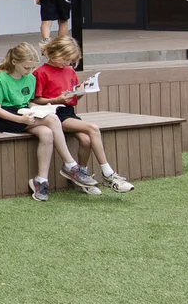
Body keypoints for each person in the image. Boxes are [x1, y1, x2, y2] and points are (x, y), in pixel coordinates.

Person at [0, 41, 99, 199]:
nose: (30, 71)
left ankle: (41, 181)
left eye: (32, 68)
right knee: (52, 119)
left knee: (46, 133)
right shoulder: (0, 78)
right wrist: (21, 120)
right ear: (14, 62)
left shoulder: (30, 78)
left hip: (24, 114)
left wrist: (44, 108)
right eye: (27, 68)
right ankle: (70, 165)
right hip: (4, 117)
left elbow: (30, 102)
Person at [33, 36, 134, 192]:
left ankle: (82, 177)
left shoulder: (69, 71)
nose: (67, 63)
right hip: (53, 113)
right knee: (93, 128)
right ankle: (108, 173)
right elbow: (36, 100)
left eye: (70, 60)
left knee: (86, 140)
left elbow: (72, 98)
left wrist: (80, 92)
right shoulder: (41, 72)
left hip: (69, 112)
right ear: (54, 52)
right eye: (65, 59)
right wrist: (57, 99)